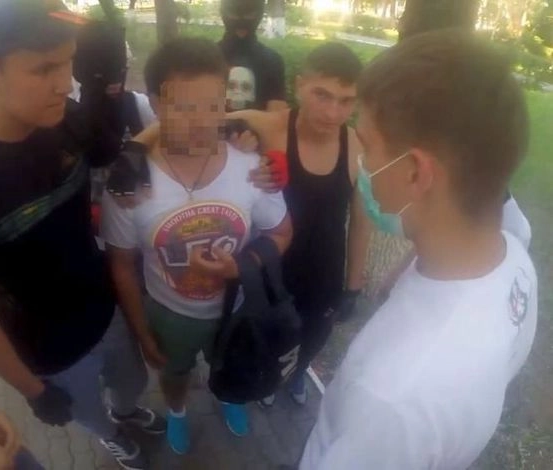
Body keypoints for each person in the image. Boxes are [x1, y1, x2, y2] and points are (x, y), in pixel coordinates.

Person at [0, 2, 164, 469]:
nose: (65, 82)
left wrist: (136, 151)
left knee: (131, 383)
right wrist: (31, 390)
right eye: (44, 68)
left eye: (68, 62)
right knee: (87, 412)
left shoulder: (67, 118)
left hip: (105, 308)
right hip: (48, 350)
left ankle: (127, 411)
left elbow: (119, 152)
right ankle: (111, 434)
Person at [299, 30, 537, 469]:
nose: (361, 163)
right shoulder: (511, 257)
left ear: (415, 173)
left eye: (368, 146)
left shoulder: (391, 398)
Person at [103, 37, 293, 456]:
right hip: (170, 314)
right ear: (156, 105)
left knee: (229, 365)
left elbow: (281, 232)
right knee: (175, 374)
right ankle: (177, 410)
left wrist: (240, 266)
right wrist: (142, 332)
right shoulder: (129, 185)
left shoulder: (251, 169)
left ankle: (228, 395)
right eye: (184, 107)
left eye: (212, 105)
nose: (202, 121)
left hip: (235, 309)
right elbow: (121, 264)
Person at [227, 42, 371, 407]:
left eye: (346, 101)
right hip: (270, 270)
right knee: (265, 340)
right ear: (300, 85)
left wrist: (353, 285)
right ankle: (268, 380)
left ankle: (296, 374)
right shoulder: (270, 127)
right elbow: (189, 121)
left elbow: (362, 220)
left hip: (324, 274)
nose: (333, 112)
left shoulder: (357, 146)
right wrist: (135, 148)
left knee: (312, 341)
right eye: (322, 95)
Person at [219, 0, 287, 112]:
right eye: (233, 14)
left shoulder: (273, 61)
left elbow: (276, 114)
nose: (241, 22)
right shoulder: (207, 58)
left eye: (249, 14)